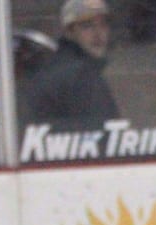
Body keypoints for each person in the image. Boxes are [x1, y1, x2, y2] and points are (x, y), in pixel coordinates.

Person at [21, 0, 121, 133]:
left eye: (103, 25)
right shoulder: (79, 74)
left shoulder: (64, 66)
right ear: (69, 32)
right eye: (87, 26)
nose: (98, 34)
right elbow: (103, 133)